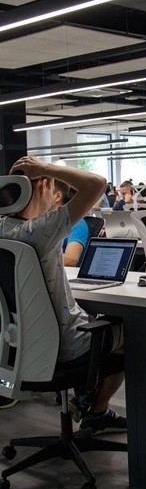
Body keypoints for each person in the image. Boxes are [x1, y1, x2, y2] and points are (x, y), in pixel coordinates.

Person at [0, 156, 126, 433]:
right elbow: (97, 184)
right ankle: (98, 410)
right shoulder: (40, 230)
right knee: (132, 331)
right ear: (43, 186)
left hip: (18, 348)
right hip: (68, 348)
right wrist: (45, 168)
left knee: (91, 319)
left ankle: (85, 396)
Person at [52, 180, 91, 267]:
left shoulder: (77, 223)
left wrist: (35, 257)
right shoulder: (44, 221)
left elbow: (71, 259)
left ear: (57, 196)